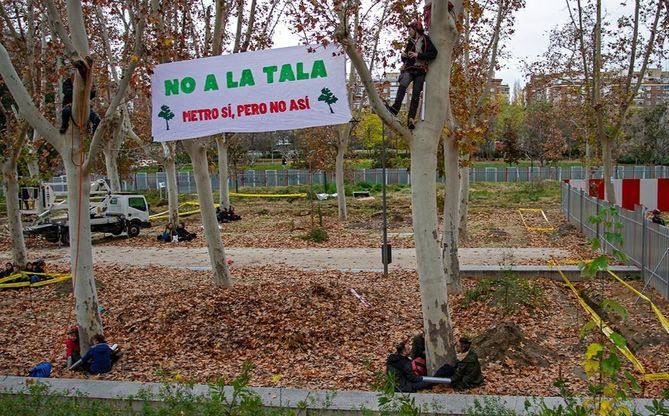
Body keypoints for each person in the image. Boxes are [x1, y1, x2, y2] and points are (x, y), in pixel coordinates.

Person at [385, 20, 438, 130]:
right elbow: (406, 58)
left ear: (415, 30)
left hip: (420, 70)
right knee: (402, 85)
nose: (408, 32)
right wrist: (403, 55)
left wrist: (418, 55)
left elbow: (433, 53)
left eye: (410, 30)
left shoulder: (425, 39)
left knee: (415, 95)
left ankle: (410, 119)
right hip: (409, 69)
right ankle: (395, 108)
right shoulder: (410, 41)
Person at [59, 63, 101, 135]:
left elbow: (89, 96)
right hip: (69, 104)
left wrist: (93, 92)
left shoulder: (84, 84)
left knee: (96, 119)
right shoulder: (67, 83)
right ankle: (64, 125)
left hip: (83, 105)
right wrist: (77, 92)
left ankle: (94, 134)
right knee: (66, 111)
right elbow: (67, 92)